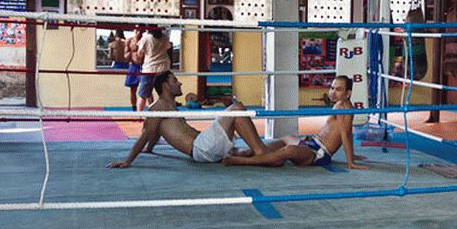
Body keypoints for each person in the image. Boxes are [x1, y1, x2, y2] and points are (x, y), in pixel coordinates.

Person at [107, 71, 270, 168]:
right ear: (165, 86)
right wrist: (128, 161)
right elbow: (146, 133)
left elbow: (154, 133)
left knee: (236, 117)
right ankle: (261, 153)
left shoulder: (166, 107)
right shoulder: (158, 107)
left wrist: (149, 149)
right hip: (201, 149)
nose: (180, 83)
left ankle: (254, 152)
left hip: (203, 148)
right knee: (237, 109)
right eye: (174, 81)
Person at [222, 75, 368, 170]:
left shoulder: (346, 108)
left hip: (318, 153)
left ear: (348, 93)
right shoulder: (339, 104)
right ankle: (249, 152)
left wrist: (351, 162)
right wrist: (352, 155)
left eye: (338, 90)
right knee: (286, 138)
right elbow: (345, 132)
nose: (332, 92)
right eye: (332, 88)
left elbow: (346, 133)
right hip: (312, 143)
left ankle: (245, 161)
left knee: (288, 151)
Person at [133, 27, 171, 111]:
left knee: (143, 94)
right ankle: (167, 116)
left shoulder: (146, 38)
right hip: (163, 68)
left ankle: (139, 116)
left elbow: (139, 54)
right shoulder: (165, 37)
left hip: (149, 69)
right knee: (165, 95)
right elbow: (168, 47)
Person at [124, 26, 144, 110]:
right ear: (134, 30)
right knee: (133, 89)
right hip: (133, 66)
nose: (138, 31)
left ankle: (150, 110)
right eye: (137, 29)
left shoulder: (145, 40)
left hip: (144, 66)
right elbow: (125, 56)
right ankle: (134, 108)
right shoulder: (129, 41)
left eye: (140, 29)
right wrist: (132, 52)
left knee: (147, 90)